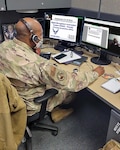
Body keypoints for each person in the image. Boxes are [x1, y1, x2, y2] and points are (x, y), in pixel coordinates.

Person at [0, 17, 105, 122]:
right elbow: (73, 82)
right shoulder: (39, 64)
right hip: (31, 106)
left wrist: (32, 52)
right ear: (34, 38)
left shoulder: (3, 46)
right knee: (67, 90)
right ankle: (55, 110)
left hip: (11, 99)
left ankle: (54, 109)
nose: (42, 38)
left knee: (51, 81)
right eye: (40, 35)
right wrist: (95, 73)